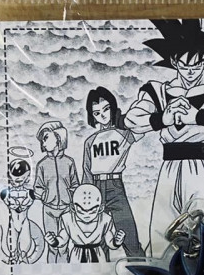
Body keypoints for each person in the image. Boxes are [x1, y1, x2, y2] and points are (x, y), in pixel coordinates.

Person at [124, 20, 204, 255]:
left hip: (201, 168)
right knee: (162, 234)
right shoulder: (157, 89)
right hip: (168, 169)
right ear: (174, 62)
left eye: (196, 64)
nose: (190, 71)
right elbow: (132, 120)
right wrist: (163, 118)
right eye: (183, 65)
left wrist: (195, 116)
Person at [82, 87, 144, 258]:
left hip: (115, 186)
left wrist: (122, 119)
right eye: (96, 113)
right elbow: (86, 170)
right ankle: (101, 271)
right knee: (97, 238)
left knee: (128, 234)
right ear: (92, 116)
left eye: (106, 109)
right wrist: (85, 194)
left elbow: (143, 126)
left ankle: (141, 267)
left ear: (113, 107)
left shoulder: (124, 133)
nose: (102, 115)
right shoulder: (90, 141)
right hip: (95, 187)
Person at [33, 120, 79, 262]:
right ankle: (51, 270)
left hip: (67, 210)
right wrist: (45, 196)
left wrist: (70, 198)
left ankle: (65, 271)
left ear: (59, 137)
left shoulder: (69, 162)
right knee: (52, 245)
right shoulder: (42, 164)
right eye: (42, 140)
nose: (43, 143)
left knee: (64, 245)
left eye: (46, 138)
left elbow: (75, 184)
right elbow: (37, 188)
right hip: (49, 210)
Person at [45, 184, 126, 262]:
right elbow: (62, 240)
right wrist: (53, 241)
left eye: (92, 211)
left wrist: (117, 241)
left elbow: (110, 243)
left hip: (98, 257)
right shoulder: (67, 219)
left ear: (100, 208)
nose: (86, 215)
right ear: (73, 207)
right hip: (76, 257)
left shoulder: (105, 219)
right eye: (81, 211)